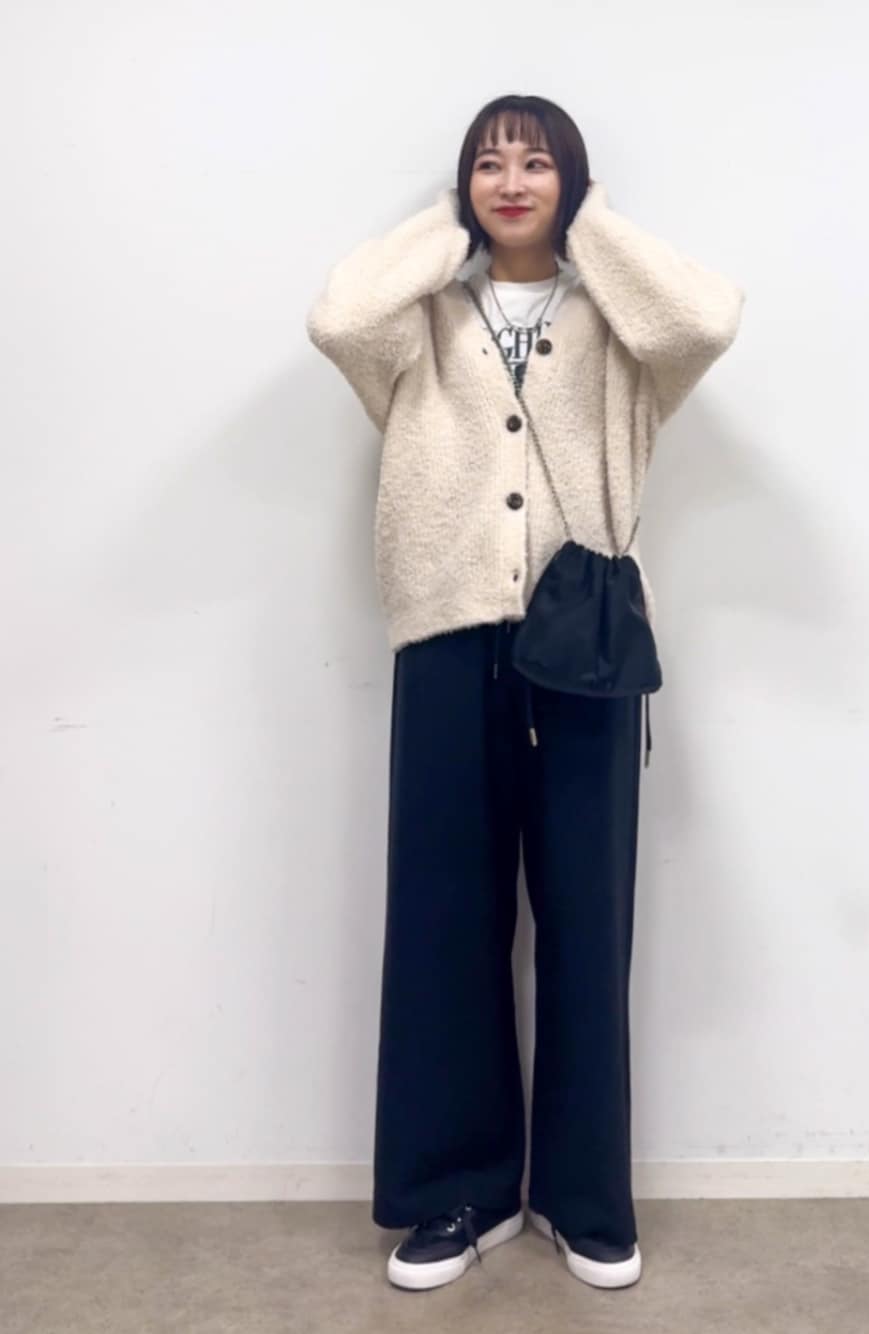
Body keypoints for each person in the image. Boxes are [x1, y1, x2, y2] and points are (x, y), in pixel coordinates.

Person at [306, 93, 745, 1293]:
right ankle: (460, 1191)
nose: (511, 180)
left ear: (574, 182)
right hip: (446, 637)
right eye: (488, 163)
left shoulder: (620, 327)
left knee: (587, 927)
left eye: (537, 162)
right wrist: (441, 232)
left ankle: (582, 1195)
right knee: (443, 922)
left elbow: (707, 316)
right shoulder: (419, 322)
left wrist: (592, 227)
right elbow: (336, 316)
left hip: (584, 645)